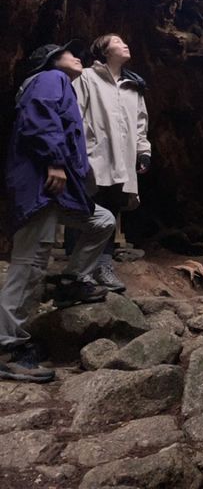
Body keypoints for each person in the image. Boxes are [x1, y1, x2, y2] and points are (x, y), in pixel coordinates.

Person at [0, 42, 115, 384]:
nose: (77, 56)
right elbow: (40, 114)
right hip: (41, 185)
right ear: (51, 61)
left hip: (58, 193)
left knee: (102, 221)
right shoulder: (51, 78)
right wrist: (53, 160)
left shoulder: (58, 82)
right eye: (69, 53)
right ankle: (7, 350)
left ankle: (70, 282)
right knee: (29, 266)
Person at [73, 33, 151, 293]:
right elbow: (75, 112)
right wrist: (77, 151)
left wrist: (143, 151)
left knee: (112, 208)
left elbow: (140, 124)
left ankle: (103, 266)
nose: (125, 44)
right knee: (85, 210)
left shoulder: (133, 86)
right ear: (104, 51)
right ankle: (77, 270)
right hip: (93, 155)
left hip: (123, 158)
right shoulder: (86, 77)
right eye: (116, 42)